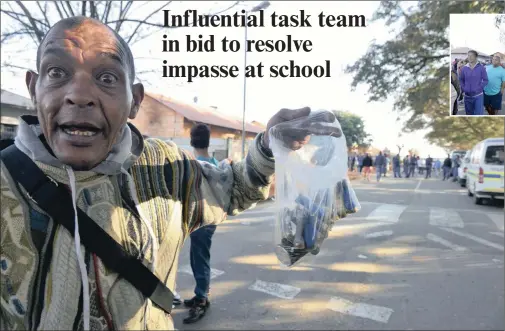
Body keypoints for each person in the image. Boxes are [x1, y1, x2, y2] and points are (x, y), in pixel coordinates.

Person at [0, 17, 344, 331]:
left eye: (106, 78)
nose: (79, 95)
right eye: (57, 73)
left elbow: (235, 188)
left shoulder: (166, 167)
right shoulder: (5, 180)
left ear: (135, 101)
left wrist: (269, 148)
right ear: (33, 88)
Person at [180, 124, 220, 324]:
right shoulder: (214, 163)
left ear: (191, 141)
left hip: (200, 219)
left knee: (200, 258)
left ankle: (202, 299)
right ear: (208, 141)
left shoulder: (192, 165)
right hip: (209, 219)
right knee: (197, 256)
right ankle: (200, 293)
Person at [459, 50, 489, 115]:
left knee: (478, 114)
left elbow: (486, 80)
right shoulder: (464, 68)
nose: (469, 57)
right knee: (469, 114)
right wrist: (464, 88)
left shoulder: (481, 68)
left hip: (478, 96)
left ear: (476, 57)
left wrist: (479, 88)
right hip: (467, 96)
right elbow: (461, 79)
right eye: (468, 55)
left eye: (471, 55)